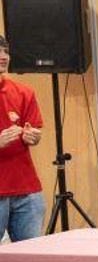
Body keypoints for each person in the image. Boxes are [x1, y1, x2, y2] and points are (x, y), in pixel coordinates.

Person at [0, 33, 45, 242]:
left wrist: (33, 137)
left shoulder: (24, 92)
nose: (3, 57)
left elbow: (35, 132)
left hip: (27, 191)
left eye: (6, 52)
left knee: (31, 255)